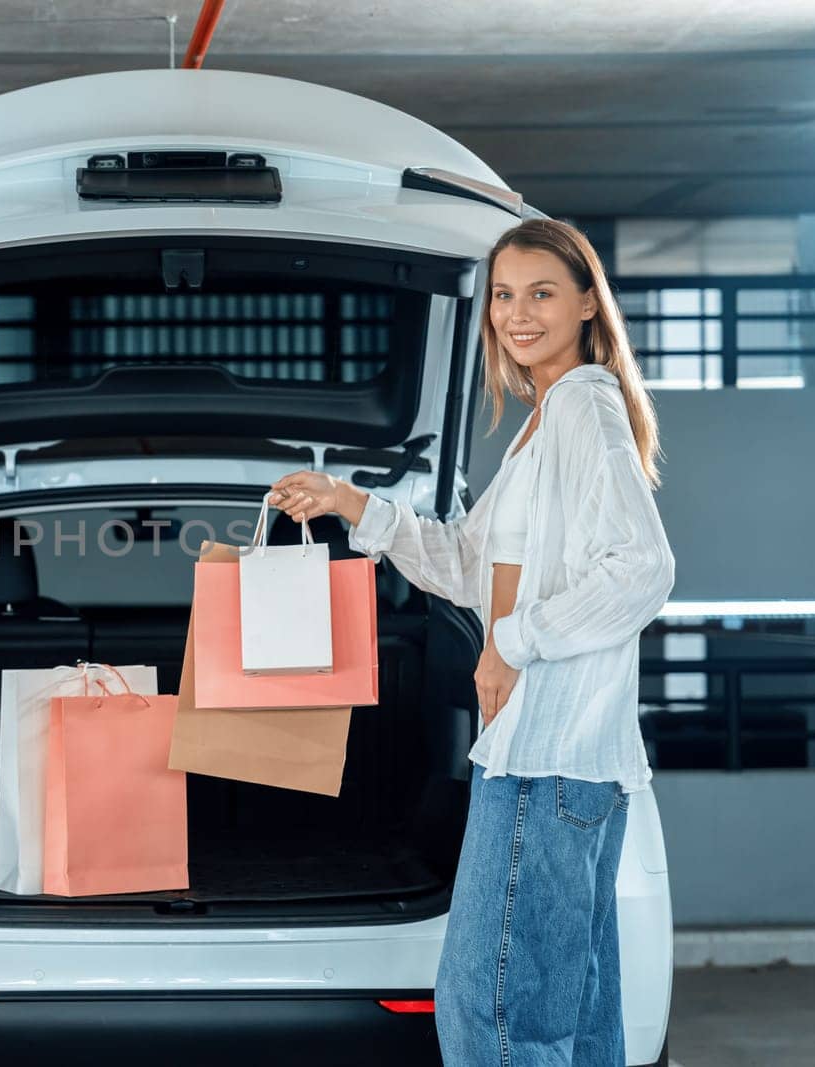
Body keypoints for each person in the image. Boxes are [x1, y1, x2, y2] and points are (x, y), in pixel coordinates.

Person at [268, 218, 674, 1065]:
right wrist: (353, 505)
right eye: (503, 295)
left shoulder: (583, 405)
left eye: (542, 293)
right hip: (566, 762)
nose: (517, 314)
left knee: (491, 1010)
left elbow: (643, 568)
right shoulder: (546, 420)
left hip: (542, 756)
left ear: (588, 301)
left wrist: (513, 642)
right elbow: (464, 561)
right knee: (574, 1011)